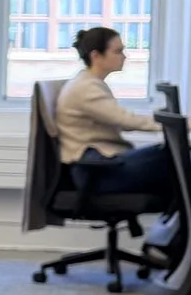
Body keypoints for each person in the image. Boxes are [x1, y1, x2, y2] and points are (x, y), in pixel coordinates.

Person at [58, 25, 171, 200]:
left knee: (176, 166)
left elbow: (119, 120)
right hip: (97, 172)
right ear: (96, 56)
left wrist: (165, 125)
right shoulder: (86, 87)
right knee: (170, 156)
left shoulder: (90, 82)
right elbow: (124, 120)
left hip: (101, 165)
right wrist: (174, 125)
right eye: (118, 51)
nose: (124, 56)